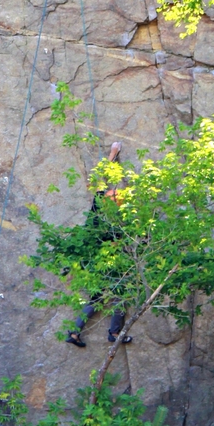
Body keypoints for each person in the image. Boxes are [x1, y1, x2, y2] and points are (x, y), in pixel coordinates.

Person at [66, 140, 133, 347]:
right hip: (107, 260)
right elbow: (100, 180)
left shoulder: (103, 211)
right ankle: (114, 332)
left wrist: (113, 154)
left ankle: (75, 332)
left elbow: (100, 181)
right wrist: (113, 153)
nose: (114, 192)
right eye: (115, 193)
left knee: (97, 297)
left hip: (96, 259)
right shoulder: (114, 218)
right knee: (120, 293)